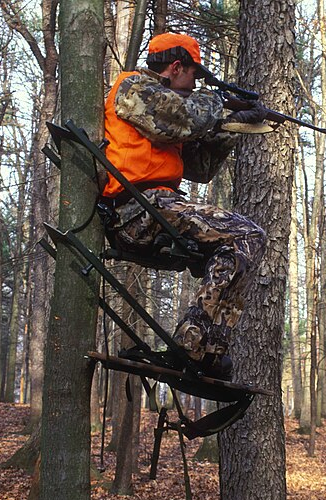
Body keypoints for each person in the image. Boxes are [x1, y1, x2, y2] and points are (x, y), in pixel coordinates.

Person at [101, 33, 267, 381]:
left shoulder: (169, 108)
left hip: (160, 208)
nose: (194, 86)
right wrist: (221, 105)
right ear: (176, 67)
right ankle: (190, 346)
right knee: (248, 234)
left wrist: (234, 127)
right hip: (136, 209)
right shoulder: (133, 89)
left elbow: (200, 167)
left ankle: (206, 350)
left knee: (239, 246)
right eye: (194, 76)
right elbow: (181, 118)